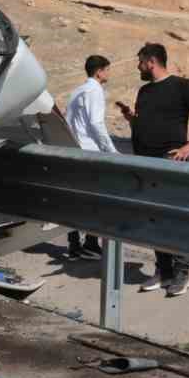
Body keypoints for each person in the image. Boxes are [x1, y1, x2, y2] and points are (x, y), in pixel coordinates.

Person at [116, 43, 189, 297]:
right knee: (154, 219)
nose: (138, 66)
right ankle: (164, 271)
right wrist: (131, 119)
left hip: (169, 161)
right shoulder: (145, 91)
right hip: (145, 163)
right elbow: (147, 123)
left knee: (174, 219)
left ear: (151, 62)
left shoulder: (182, 86)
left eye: (140, 61)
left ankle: (183, 273)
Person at [64, 54, 117, 259]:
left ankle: (74, 245)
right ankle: (91, 244)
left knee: (76, 200)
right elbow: (96, 123)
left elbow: (68, 122)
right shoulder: (95, 90)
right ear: (99, 71)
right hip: (92, 153)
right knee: (97, 200)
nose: (109, 73)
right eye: (107, 69)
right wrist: (111, 150)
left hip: (76, 150)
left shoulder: (77, 91)